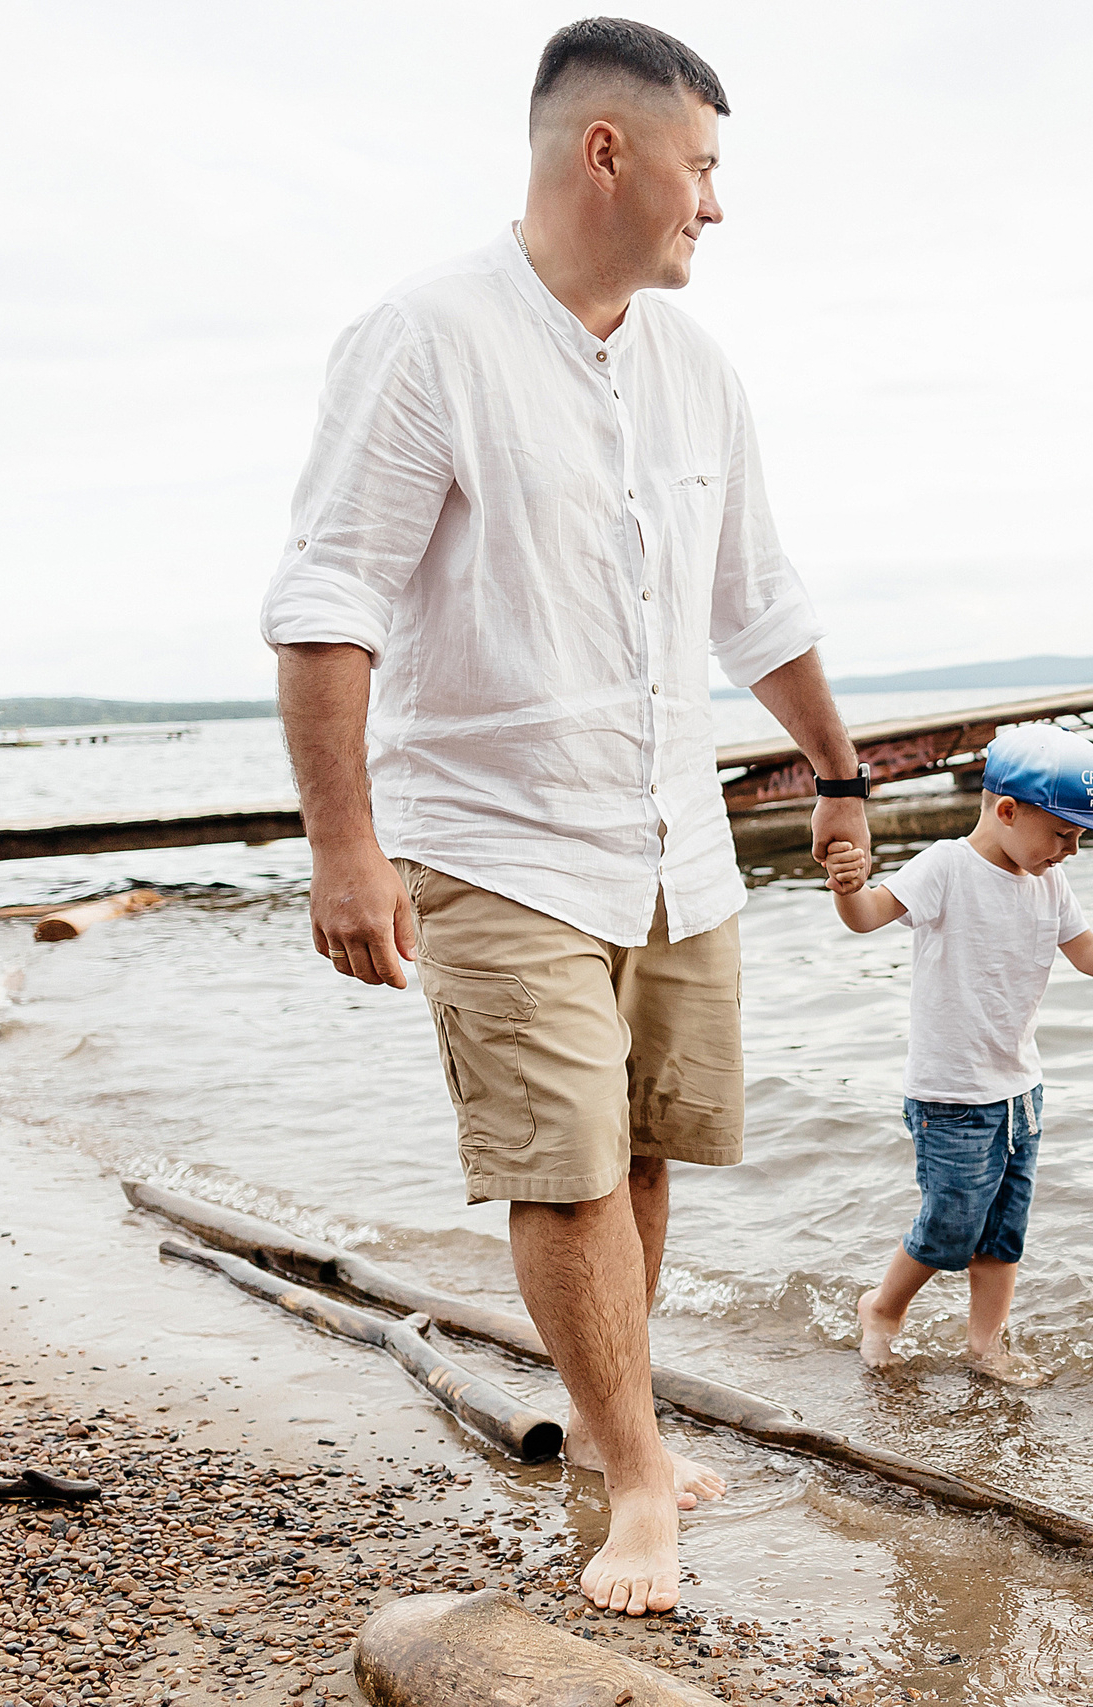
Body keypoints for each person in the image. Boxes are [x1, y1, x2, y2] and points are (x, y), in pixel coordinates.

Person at [259, 18, 873, 1616]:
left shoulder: (699, 368)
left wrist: (839, 767)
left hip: (674, 835)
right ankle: (639, 1475)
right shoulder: (426, 338)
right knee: (567, 1166)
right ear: (608, 151)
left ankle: (621, 1442)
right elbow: (330, 602)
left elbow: (758, 601)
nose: (716, 207)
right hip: (499, 834)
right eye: (705, 168)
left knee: (650, 1154)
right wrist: (345, 842)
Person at [820, 727, 1093, 1384]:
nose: (1071, 850)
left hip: (1021, 1091)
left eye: (1080, 838)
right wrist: (849, 885)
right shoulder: (945, 867)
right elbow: (868, 915)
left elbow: (1088, 952)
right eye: (1064, 834)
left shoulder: (1049, 883)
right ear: (1009, 811)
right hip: (951, 1095)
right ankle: (882, 1307)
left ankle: (984, 1344)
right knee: (949, 1225)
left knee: (1002, 1233)